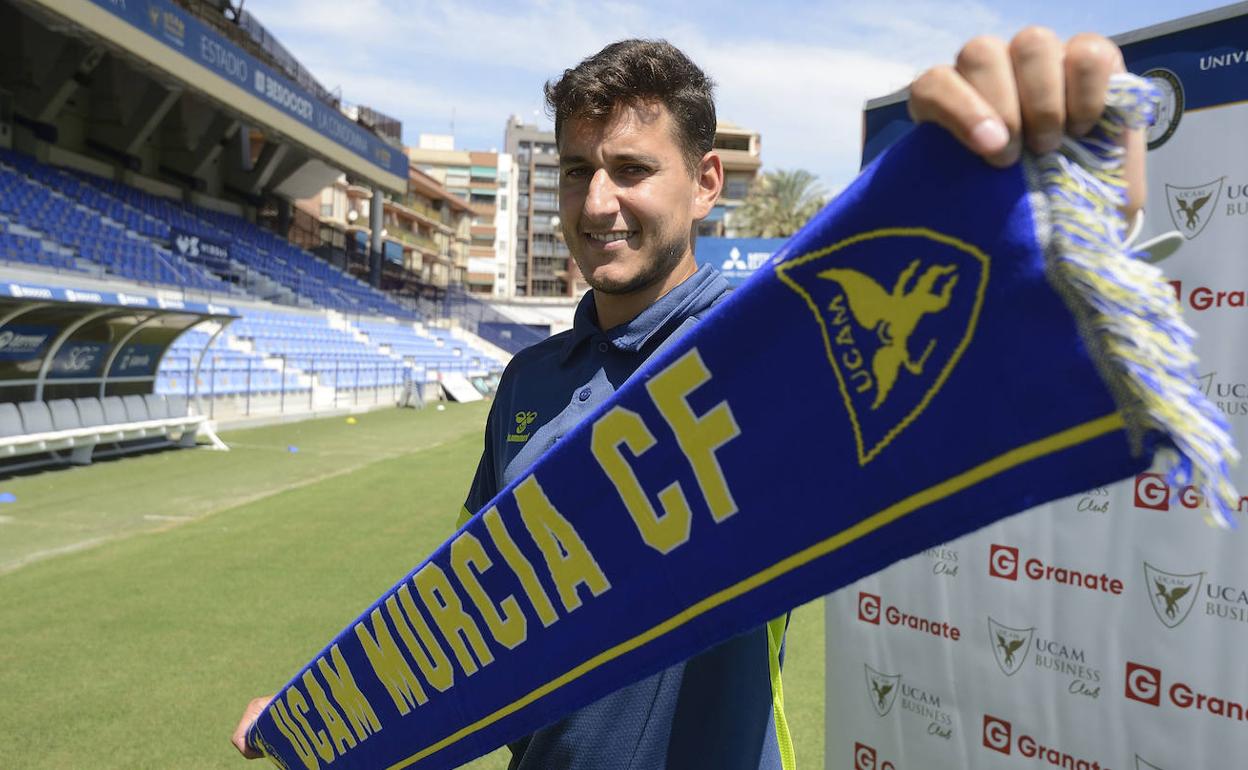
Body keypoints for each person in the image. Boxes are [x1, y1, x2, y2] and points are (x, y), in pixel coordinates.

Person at [234, 29, 1143, 769]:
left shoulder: (774, 346)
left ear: (707, 183)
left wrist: (1055, 200)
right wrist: (328, 708)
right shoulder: (528, 382)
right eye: (575, 168)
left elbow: (967, 353)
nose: (597, 202)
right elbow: (472, 601)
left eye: (631, 168)